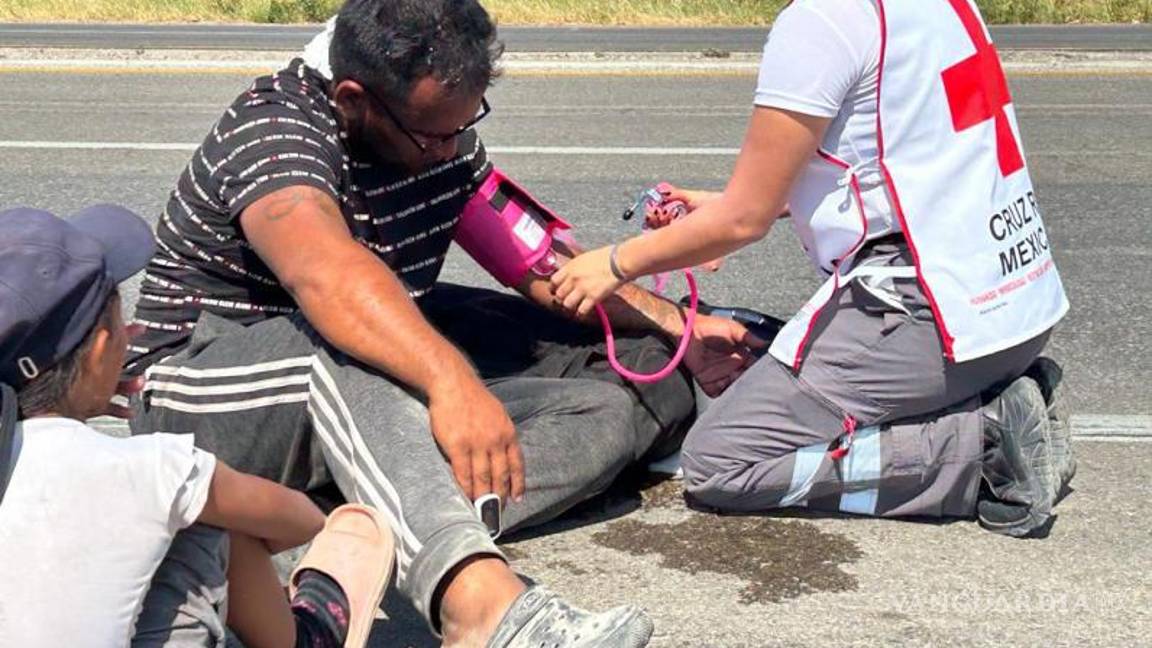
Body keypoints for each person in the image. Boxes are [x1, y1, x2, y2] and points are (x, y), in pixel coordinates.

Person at [125, 0, 759, 645]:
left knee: (650, 371)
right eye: (433, 135)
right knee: (346, 346)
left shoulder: (439, 139)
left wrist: (681, 324)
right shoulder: (277, 130)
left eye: (467, 124)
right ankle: (478, 606)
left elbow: (540, 263)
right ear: (354, 99)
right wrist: (452, 385)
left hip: (366, 385)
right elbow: (330, 278)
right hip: (203, 387)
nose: (451, 150)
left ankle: (350, 519)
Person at [551, 0, 1076, 538]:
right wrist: (717, 207)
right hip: (1015, 307)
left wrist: (614, 264)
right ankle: (1000, 396)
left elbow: (744, 220)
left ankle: (982, 447)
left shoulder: (820, 20)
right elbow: (889, 164)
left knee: (722, 462)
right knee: (760, 351)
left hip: (930, 318)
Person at [0, 206, 396, 648]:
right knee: (208, 515)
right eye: (121, 323)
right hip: (189, 497)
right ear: (98, 352)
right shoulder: (149, 468)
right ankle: (304, 639)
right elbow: (303, 521)